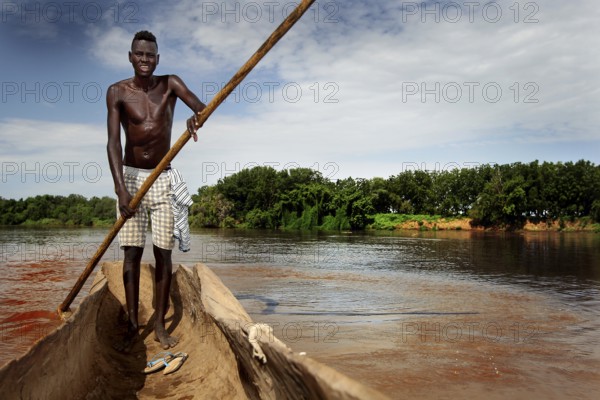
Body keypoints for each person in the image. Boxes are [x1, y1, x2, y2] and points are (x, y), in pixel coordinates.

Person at [106, 30, 205, 350]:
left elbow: (202, 106)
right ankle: (134, 324)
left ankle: (160, 325)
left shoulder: (170, 84)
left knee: (164, 253)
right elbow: (113, 143)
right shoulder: (117, 92)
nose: (145, 60)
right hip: (132, 178)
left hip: (162, 177)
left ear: (157, 58)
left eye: (150, 55)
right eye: (139, 54)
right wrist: (121, 190)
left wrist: (196, 117)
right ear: (131, 57)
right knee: (132, 254)